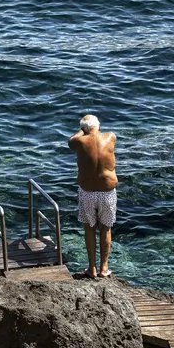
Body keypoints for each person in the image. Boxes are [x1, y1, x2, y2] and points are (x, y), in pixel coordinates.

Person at [69, 113, 118, 280]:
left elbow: (71, 140)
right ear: (98, 126)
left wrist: (82, 130)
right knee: (106, 228)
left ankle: (92, 268)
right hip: (107, 192)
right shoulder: (110, 137)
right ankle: (104, 268)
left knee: (89, 229)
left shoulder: (78, 141)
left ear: (83, 129)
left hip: (88, 192)